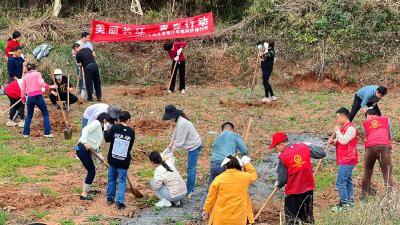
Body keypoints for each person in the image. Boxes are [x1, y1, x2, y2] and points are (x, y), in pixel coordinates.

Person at [270, 132, 326, 225]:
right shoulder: (303, 147)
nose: (277, 150)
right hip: (308, 190)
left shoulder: (283, 157)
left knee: (292, 219)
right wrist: (309, 145)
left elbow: (283, 179)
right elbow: (322, 153)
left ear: (281, 144)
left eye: (276, 147)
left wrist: (278, 183)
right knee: (307, 217)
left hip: (293, 192)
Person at [201, 122, 248, 207]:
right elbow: (245, 151)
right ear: (232, 129)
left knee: (211, 188)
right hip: (227, 165)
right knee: (226, 189)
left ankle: (204, 210)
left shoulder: (218, 137)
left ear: (222, 130)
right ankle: (224, 209)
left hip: (214, 164)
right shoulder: (234, 135)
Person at [202, 155, 256, 225]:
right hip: (239, 219)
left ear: (225, 166)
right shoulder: (245, 177)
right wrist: (246, 163)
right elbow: (253, 175)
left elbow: (211, 197)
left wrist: (206, 210)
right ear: (239, 166)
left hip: (221, 219)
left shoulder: (219, 179)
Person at [162, 105, 202, 197]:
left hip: (194, 146)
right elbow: (174, 135)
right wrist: (168, 147)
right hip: (190, 146)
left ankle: (190, 190)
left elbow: (179, 142)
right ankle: (188, 188)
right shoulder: (179, 121)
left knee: (191, 169)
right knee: (190, 168)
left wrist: (171, 153)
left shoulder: (182, 123)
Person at [328, 108, 358, 212]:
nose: (336, 120)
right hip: (344, 159)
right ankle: (350, 202)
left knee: (340, 183)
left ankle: (344, 204)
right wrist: (333, 142)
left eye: (337, 117)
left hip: (348, 159)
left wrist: (337, 132)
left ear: (343, 116)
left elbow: (344, 140)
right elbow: (339, 141)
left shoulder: (351, 128)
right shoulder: (343, 128)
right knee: (348, 181)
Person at [104, 111, 135, 209]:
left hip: (113, 159)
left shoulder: (114, 128)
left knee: (111, 179)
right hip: (124, 160)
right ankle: (120, 202)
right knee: (122, 181)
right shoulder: (131, 132)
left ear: (118, 119)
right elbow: (129, 147)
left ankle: (110, 198)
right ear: (128, 119)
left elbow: (107, 139)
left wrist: (105, 130)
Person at [76, 112, 109, 200]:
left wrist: (102, 159)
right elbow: (85, 130)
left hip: (86, 150)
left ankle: (87, 189)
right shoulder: (97, 123)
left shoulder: (100, 129)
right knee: (92, 171)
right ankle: (84, 195)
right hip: (81, 148)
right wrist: (85, 142)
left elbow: (96, 148)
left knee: (92, 169)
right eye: (108, 122)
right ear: (104, 120)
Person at [361, 109, 393, 198]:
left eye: (366, 117)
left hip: (370, 148)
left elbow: (366, 137)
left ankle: (364, 195)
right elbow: (390, 135)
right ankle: (390, 196)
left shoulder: (365, 123)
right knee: (387, 171)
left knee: (367, 171)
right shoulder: (386, 120)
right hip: (384, 147)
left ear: (369, 115)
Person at [20, 63, 56, 138]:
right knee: (45, 113)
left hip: (30, 97)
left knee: (29, 115)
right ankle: (47, 132)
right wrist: (49, 87)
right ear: (34, 68)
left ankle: (25, 133)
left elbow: (23, 88)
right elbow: (41, 83)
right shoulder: (37, 74)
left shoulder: (25, 76)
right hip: (38, 96)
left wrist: (23, 98)